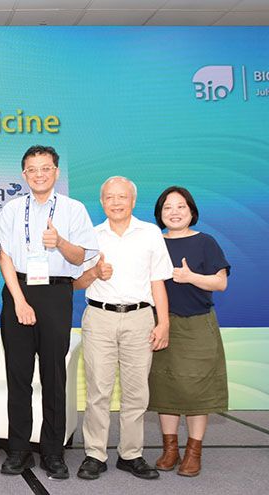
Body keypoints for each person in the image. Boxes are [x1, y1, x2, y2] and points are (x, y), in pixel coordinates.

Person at [0, 145, 98, 480]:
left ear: (55, 171)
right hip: (19, 291)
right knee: (18, 376)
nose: (39, 174)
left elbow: (82, 256)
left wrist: (60, 243)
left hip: (56, 293)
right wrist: (19, 300)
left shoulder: (73, 209)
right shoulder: (12, 210)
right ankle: (18, 449)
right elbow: (4, 257)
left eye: (45, 168)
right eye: (32, 169)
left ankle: (53, 452)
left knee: (54, 376)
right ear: (24, 174)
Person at [73, 176, 173, 481]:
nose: (116, 202)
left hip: (140, 318)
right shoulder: (90, 236)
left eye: (122, 197)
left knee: (136, 391)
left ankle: (131, 454)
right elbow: (75, 283)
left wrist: (164, 322)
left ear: (133, 200)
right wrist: (94, 272)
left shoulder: (150, 233)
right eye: (109, 197)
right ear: (101, 202)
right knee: (98, 390)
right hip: (99, 317)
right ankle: (95, 454)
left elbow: (158, 281)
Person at [148, 186, 230, 477]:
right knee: (165, 388)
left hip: (197, 325)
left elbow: (221, 283)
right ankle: (170, 449)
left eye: (180, 206)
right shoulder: (153, 242)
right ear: (159, 213)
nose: (174, 212)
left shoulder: (206, 242)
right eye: (168, 207)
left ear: (191, 211)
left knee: (198, 391)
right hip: (160, 323)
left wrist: (190, 277)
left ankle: (194, 452)